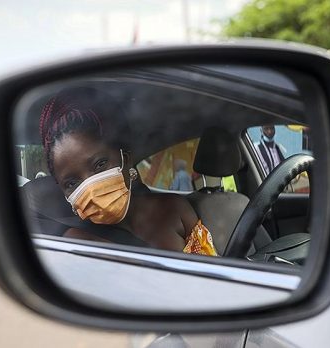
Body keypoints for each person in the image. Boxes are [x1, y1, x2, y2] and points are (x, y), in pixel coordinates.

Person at [39, 87, 217, 256]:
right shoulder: (74, 243)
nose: (90, 189)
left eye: (100, 164)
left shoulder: (174, 209)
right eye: (71, 183)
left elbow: (213, 280)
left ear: (127, 158)